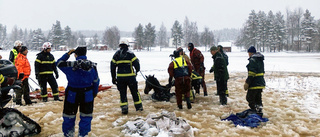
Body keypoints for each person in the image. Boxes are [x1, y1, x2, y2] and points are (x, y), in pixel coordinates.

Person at [57, 46, 100, 137]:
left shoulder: (71, 65)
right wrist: (94, 92)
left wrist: (68, 54)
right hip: (87, 93)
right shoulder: (92, 66)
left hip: (72, 94)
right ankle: (83, 134)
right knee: (86, 116)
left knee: (69, 115)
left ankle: (69, 133)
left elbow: (59, 63)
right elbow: (96, 81)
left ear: (75, 54)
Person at [110, 43, 143, 114]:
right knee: (135, 92)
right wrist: (137, 70)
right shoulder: (130, 54)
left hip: (120, 78)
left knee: (122, 94)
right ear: (127, 46)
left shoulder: (116, 55)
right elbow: (136, 64)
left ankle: (124, 109)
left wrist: (113, 78)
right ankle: (139, 108)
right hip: (130, 77)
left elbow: (112, 67)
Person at [244, 46, 265, 116]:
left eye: (249, 53)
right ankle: (259, 111)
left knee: (250, 98)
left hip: (254, 83)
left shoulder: (253, 60)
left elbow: (252, 73)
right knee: (258, 98)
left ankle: (254, 111)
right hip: (260, 82)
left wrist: (247, 82)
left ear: (250, 53)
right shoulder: (259, 59)